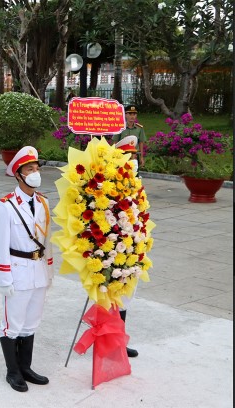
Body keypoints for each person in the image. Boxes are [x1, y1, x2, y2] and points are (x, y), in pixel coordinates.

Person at [0, 146, 54, 393]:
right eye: (30, 169)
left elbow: (47, 241)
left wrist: (49, 271)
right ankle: (13, 371)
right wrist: (4, 279)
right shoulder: (5, 206)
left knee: (31, 323)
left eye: (37, 168)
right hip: (17, 271)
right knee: (12, 324)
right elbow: (0, 246)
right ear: (18, 174)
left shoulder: (43, 203)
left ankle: (26, 367)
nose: (35, 173)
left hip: (38, 270)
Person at [114, 135, 140, 358]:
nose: (133, 161)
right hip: (113, 250)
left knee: (125, 299)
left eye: (134, 157)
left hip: (131, 250)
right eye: (129, 157)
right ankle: (108, 341)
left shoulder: (134, 184)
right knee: (111, 298)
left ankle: (119, 341)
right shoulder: (112, 185)